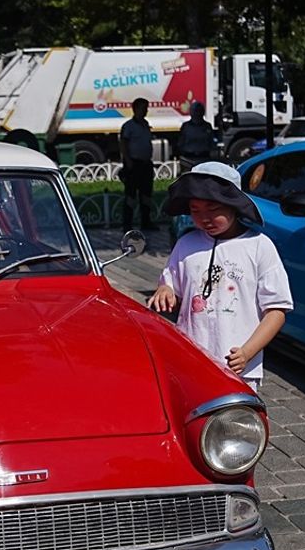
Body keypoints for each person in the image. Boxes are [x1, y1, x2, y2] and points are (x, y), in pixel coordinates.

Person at [148, 162, 292, 393]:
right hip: (190, 362)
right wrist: (165, 290)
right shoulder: (186, 244)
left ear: (234, 206)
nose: (204, 217)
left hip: (238, 368)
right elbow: (171, 285)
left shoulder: (259, 246)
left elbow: (276, 310)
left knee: (235, 426)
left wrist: (247, 352)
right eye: (195, 210)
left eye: (213, 209)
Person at [119, 98, 156, 230]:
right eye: (143, 108)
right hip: (134, 164)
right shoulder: (129, 126)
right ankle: (127, 224)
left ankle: (146, 221)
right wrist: (127, 160)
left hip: (146, 163)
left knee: (146, 194)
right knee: (131, 195)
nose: (146, 111)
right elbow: (123, 143)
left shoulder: (146, 124)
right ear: (135, 109)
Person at [176, 100, 215, 172]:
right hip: (188, 159)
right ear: (191, 112)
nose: (197, 113)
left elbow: (211, 142)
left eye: (199, 111)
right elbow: (180, 142)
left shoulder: (207, 126)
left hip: (204, 158)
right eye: (195, 111)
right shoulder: (186, 126)